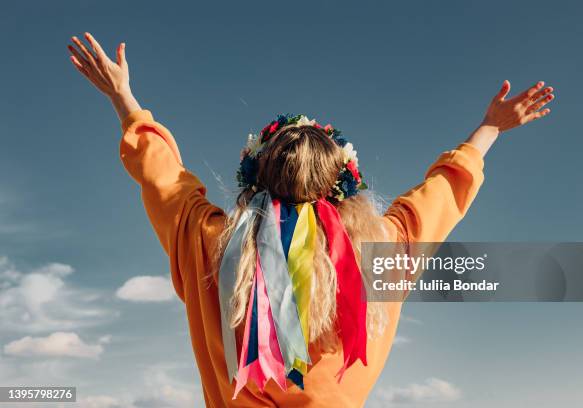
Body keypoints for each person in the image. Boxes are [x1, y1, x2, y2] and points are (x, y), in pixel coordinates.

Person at [67, 32, 555, 407]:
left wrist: (123, 98)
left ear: (253, 175)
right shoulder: (381, 249)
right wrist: (491, 126)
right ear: (342, 181)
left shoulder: (209, 241)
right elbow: (442, 193)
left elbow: (164, 178)